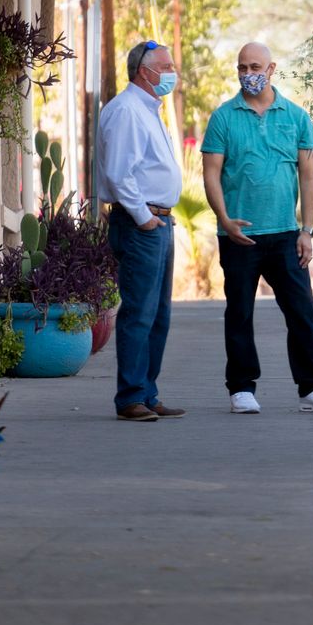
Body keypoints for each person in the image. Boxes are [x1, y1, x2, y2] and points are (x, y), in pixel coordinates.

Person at [202, 42, 313, 415]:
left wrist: (307, 230)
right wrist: (224, 219)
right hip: (239, 236)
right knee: (239, 313)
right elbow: (211, 173)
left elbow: (309, 177)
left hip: (285, 234)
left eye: (255, 67)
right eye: (242, 67)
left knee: (301, 311)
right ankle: (241, 390)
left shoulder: (296, 117)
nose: (249, 74)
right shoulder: (223, 118)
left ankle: (312, 389)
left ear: (271, 69)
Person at [96, 40, 185, 422]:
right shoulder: (127, 110)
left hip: (159, 221)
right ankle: (131, 397)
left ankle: (147, 393)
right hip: (142, 222)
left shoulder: (149, 110)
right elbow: (120, 172)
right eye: (164, 66)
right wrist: (144, 217)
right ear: (143, 71)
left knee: (158, 314)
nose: (171, 72)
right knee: (139, 312)